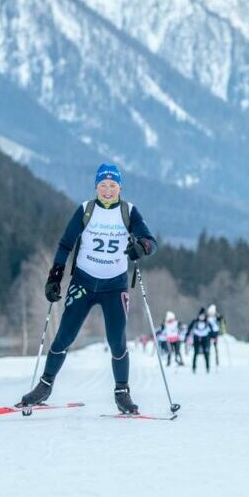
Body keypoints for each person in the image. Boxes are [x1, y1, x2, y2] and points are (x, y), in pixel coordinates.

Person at [20, 163, 157, 415]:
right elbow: (65, 244)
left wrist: (142, 247)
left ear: (120, 187)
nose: (107, 190)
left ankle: (122, 392)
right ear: (96, 187)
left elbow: (150, 241)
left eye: (112, 185)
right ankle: (45, 385)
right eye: (103, 185)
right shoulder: (85, 210)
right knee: (64, 337)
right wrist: (55, 277)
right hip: (83, 282)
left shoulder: (129, 211)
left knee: (117, 341)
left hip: (114, 286)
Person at [188, 308, 213, 373]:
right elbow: (189, 328)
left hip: (205, 338)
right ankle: (194, 367)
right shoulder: (195, 321)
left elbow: (212, 330)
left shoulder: (207, 322)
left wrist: (213, 336)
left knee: (206, 353)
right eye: (200, 316)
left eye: (203, 316)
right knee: (196, 353)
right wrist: (187, 336)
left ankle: (207, 367)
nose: (201, 317)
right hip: (196, 337)